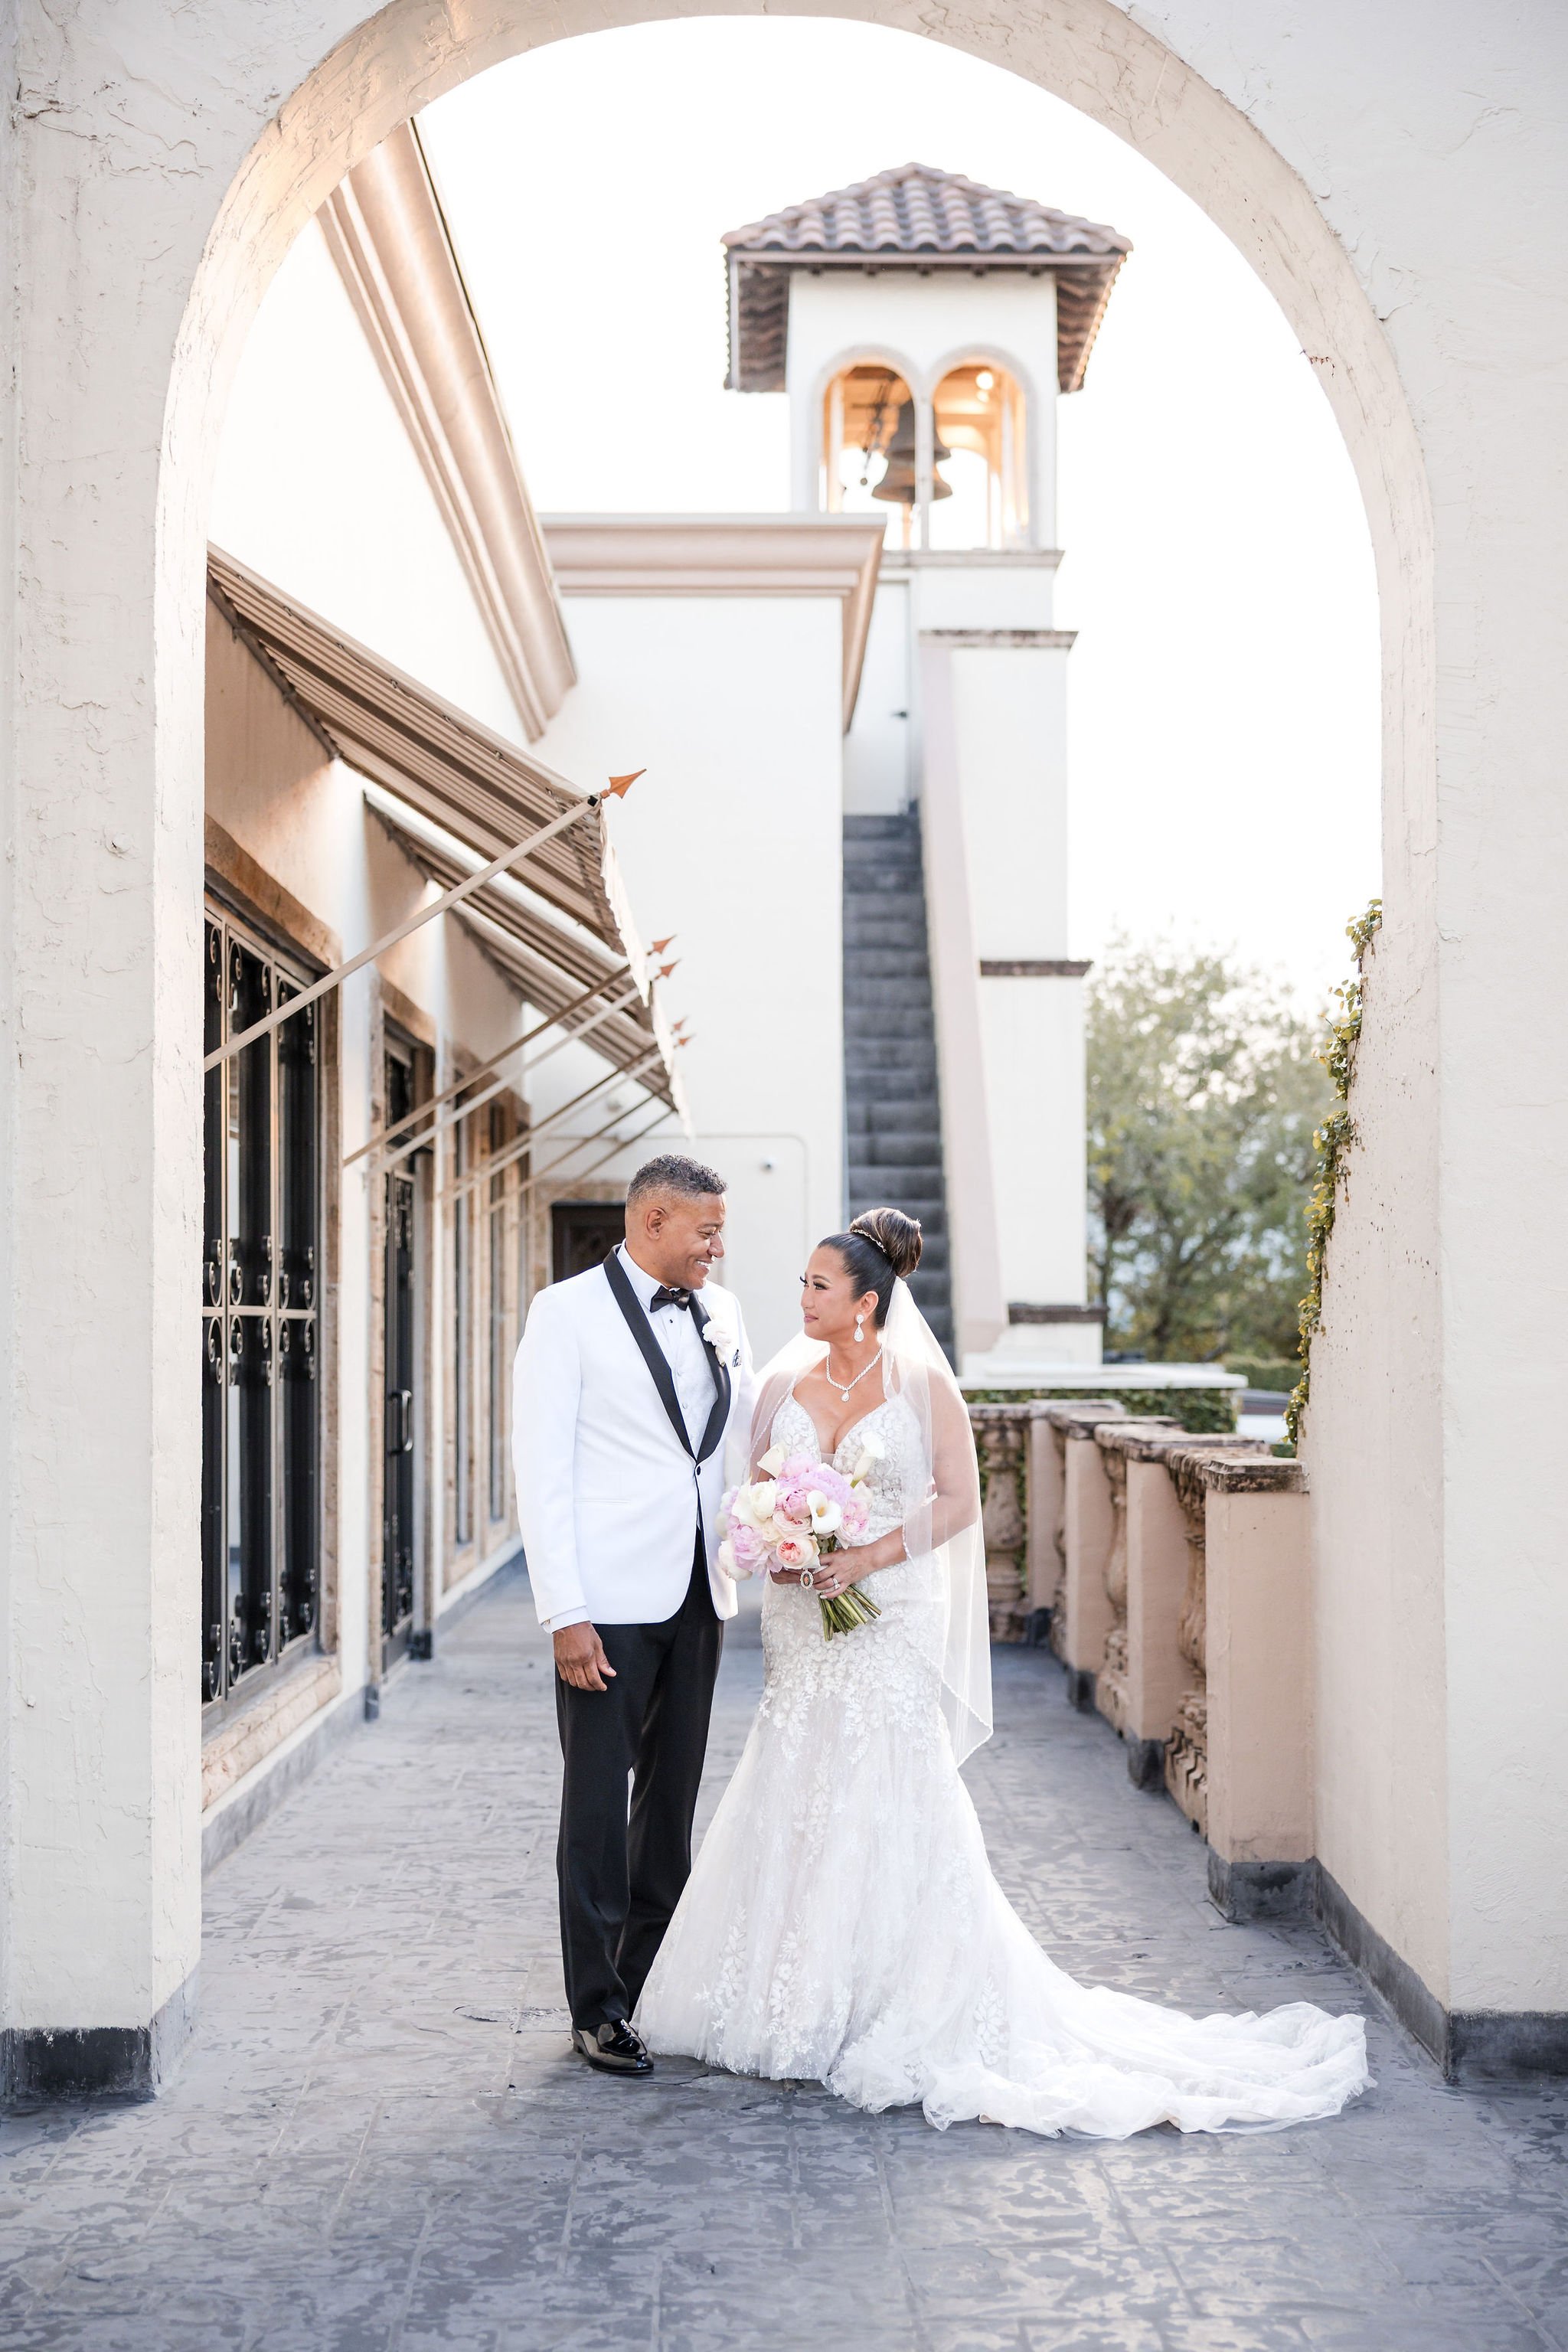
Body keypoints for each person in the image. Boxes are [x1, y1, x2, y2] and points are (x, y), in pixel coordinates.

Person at [635, 1206, 1370, 2138]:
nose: (803, 1299)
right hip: (800, 1624)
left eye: (819, 1286)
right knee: (797, 1779)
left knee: (886, 1785)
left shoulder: (919, 1387)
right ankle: (784, 1994)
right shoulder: (779, 1385)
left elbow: (958, 1499)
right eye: (803, 1285)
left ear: (865, 1302)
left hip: (886, 1615)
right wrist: (779, 1552)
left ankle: (890, 1994)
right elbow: (754, 1499)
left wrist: (865, 1559)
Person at [512, 1154, 755, 2076]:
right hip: (605, 1603)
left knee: (670, 1804)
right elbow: (542, 1472)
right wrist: (564, 1613)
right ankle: (597, 2007)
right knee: (596, 1805)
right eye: (706, 1231)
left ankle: (649, 1980)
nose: (717, 1247)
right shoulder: (563, 1314)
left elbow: (726, 1445)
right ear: (653, 1222)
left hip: (700, 1589)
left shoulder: (723, 1313)